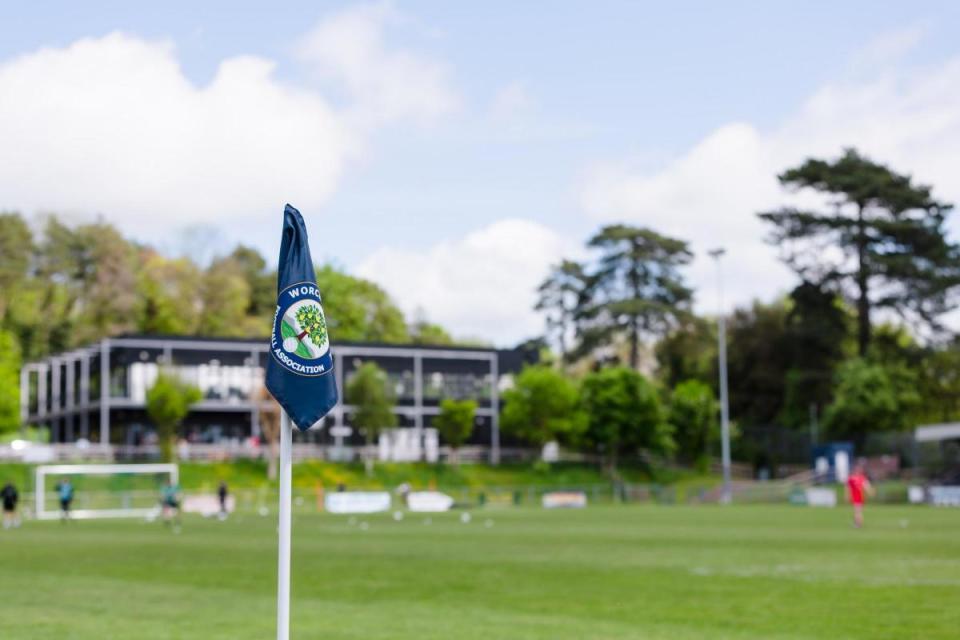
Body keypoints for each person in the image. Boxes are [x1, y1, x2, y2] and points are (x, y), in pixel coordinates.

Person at [846, 461, 874, 528]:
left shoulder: (852, 478)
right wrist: (871, 492)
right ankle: (857, 523)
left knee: (857, 512)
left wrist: (847, 496)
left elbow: (847, 488)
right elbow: (867, 487)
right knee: (857, 511)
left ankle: (858, 524)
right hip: (858, 497)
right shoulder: (861, 478)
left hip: (857, 497)